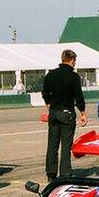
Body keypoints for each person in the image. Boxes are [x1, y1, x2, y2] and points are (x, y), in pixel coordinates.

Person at [41, 49, 87, 180]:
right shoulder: (73, 76)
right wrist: (83, 112)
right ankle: (65, 173)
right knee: (66, 146)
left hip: (54, 112)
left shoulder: (51, 74)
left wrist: (49, 105)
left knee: (52, 144)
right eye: (75, 61)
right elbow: (78, 96)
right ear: (72, 60)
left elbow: (45, 93)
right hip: (67, 113)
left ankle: (51, 173)